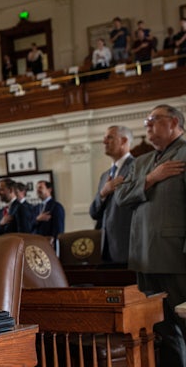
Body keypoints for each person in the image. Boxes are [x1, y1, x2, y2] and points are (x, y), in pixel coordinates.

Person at [116, 104, 186, 366]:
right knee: (161, 330)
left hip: (176, 255)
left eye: (154, 119)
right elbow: (121, 197)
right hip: (143, 256)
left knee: (184, 323)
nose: (147, 124)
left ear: (175, 122)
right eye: (146, 120)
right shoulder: (142, 161)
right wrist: (150, 179)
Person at [89, 125, 134, 264]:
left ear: (123, 140)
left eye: (109, 137)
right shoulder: (105, 176)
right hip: (106, 247)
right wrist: (103, 192)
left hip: (130, 246)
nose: (104, 142)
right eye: (104, 138)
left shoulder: (138, 166)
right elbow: (94, 213)